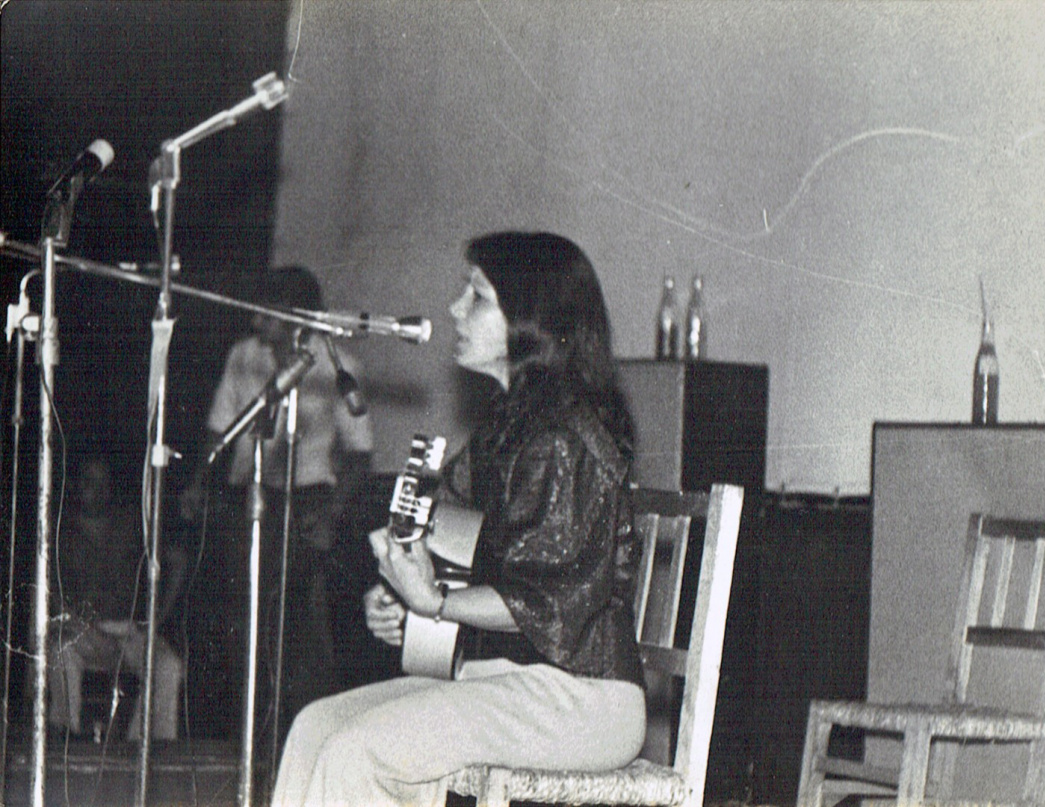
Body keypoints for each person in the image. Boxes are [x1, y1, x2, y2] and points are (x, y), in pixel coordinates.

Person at [271, 232, 647, 806]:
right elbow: (443, 530)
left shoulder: (567, 439)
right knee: (314, 729)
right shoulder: (507, 429)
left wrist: (434, 602)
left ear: (530, 320)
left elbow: (547, 604)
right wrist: (398, 593)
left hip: (581, 699)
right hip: (506, 681)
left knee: (357, 751)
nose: (454, 308)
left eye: (477, 297)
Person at [181, 264, 374, 737]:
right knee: (240, 622)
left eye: (266, 315)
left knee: (294, 628)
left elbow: (360, 455)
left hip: (310, 503)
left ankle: (299, 736)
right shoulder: (243, 356)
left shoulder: (338, 365)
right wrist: (197, 483)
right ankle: (243, 735)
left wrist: (331, 515)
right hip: (249, 498)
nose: (255, 323)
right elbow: (218, 430)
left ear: (296, 317)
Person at [47, 456, 186, 741]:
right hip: (81, 634)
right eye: (89, 482)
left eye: (103, 483)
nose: (97, 490)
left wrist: (158, 618)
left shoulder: (131, 524)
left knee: (169, 666)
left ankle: (144, 746)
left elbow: (178, 559)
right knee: (60, 653)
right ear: (76, 485)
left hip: (129, 632)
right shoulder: (61, 530)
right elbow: (51, 594)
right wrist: (88, 631)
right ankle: (65, 740)